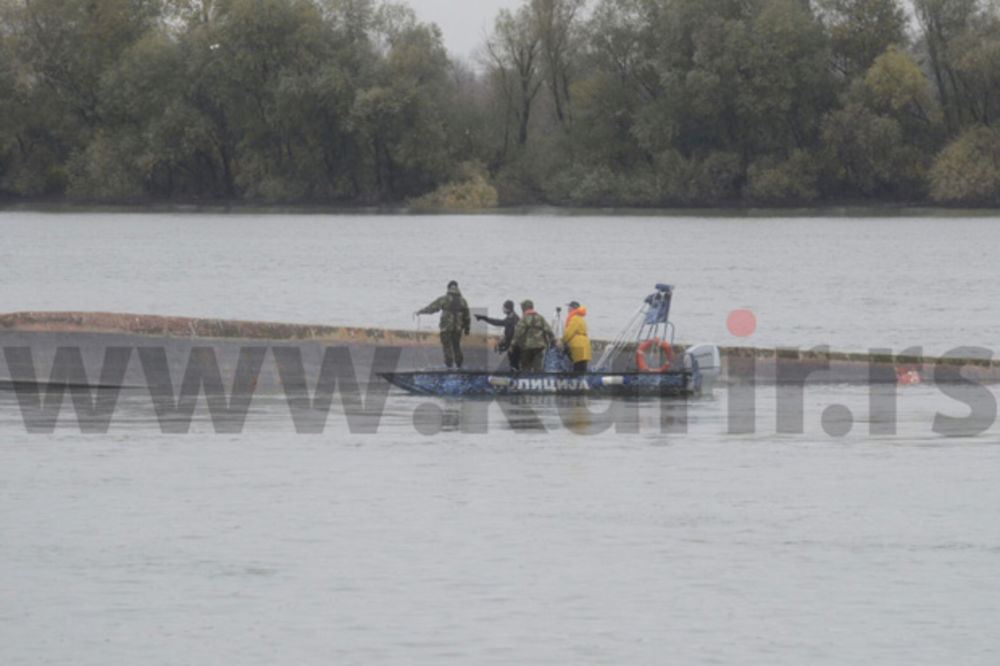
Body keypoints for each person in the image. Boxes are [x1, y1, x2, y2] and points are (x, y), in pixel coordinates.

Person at [416, 280, 470, 368]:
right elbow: (467, 317)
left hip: (446, 328)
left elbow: (432, 308)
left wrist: (421, 311)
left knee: (447, 347)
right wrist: (467, 330)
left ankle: (449, 366)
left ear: (448, 288)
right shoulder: (463, 301)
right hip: (458, 329)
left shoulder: (444, 299)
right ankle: (459, 366)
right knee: (457, 346)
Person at [475, 300, 520, 371]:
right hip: (512, 341)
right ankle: (513, 367)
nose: (502, 309)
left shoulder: (512, 318)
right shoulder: (512, 315)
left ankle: (513, 370)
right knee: (502, 349)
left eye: (503, 308)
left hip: (514, 343)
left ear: (507, 308)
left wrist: (484, 318)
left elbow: (498, 322)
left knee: (512, 359)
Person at [512, 299, 554, 373]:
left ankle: (526, 381)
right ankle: (537, 381)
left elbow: (518, 333)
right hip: (540, 346)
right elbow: (549, 330)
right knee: (538, 367)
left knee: (526, 367)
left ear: (524, 308)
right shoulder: (540, 318)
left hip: (527, 347)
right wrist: (553, 339)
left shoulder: (523, 319)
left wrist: (512, 344)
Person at [562, 300, 592, 374]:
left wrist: (562, 341)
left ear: (572, 309)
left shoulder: (574, 318)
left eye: (569, 308)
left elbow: (568, 333)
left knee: (577, 369)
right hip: (584, 346)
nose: (568, 310)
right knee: (582, 368)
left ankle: (577, 384)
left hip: (578, 347)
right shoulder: (580, 319)